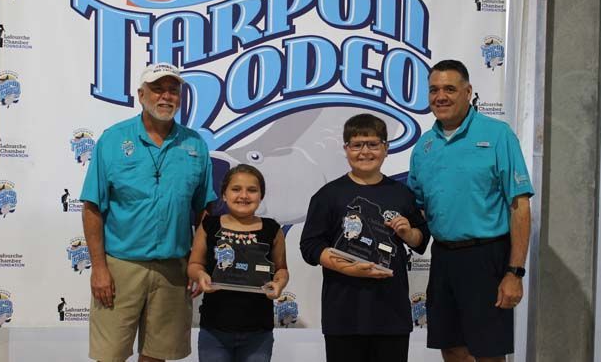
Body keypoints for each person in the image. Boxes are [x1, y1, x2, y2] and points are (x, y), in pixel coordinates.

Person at [80, 62, 217, 362]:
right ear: (141, 95)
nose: (166, 97)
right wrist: (99, 268)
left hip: (174, 268)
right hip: (121, 267)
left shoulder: (195, 145)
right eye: (158, 89)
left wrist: (197, 262)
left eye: (173, 90)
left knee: (157, 355)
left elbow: (204, 212)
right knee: (110, 355)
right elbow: (92, 207)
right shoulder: (113, 140)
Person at [407, 60, 533, 362]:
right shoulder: (423, 147)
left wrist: (514, 272)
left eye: (450, 89)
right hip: (444, 259)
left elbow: (520, 207)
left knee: (488, 353)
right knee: (450, 348)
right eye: (434, 89)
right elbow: (418, 211)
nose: (441, 96)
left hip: (487, 258)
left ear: (468, 92)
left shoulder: (498, 135)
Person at [300, 114, 430, 362]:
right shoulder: (328, 195)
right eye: (357, 144)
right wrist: (349, 268)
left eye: (373, 144)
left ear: (386, 148)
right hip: (344, 314)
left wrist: (407, 232)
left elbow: (420, 240)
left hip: (392, 314)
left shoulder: (402, 194)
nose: (365, 152)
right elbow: (310, 246)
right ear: (346, 149)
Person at [187, 164, 289, 362]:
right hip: (214, 329)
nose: (244, 195)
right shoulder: (209, 225)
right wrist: (200, 276)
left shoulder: (271, 229)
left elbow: (282, 269)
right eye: (236, 189)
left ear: (261, 195)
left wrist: (279, 284)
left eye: (252, 190)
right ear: (224, 194)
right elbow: (194, 264)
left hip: (258, 331)